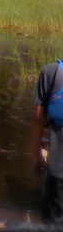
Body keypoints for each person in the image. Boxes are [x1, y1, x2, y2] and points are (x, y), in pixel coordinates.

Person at [35, 61, 63, 221]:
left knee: (52, 222)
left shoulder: (52, 72)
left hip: (58, 169)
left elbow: (38, 119)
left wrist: (36, 155)